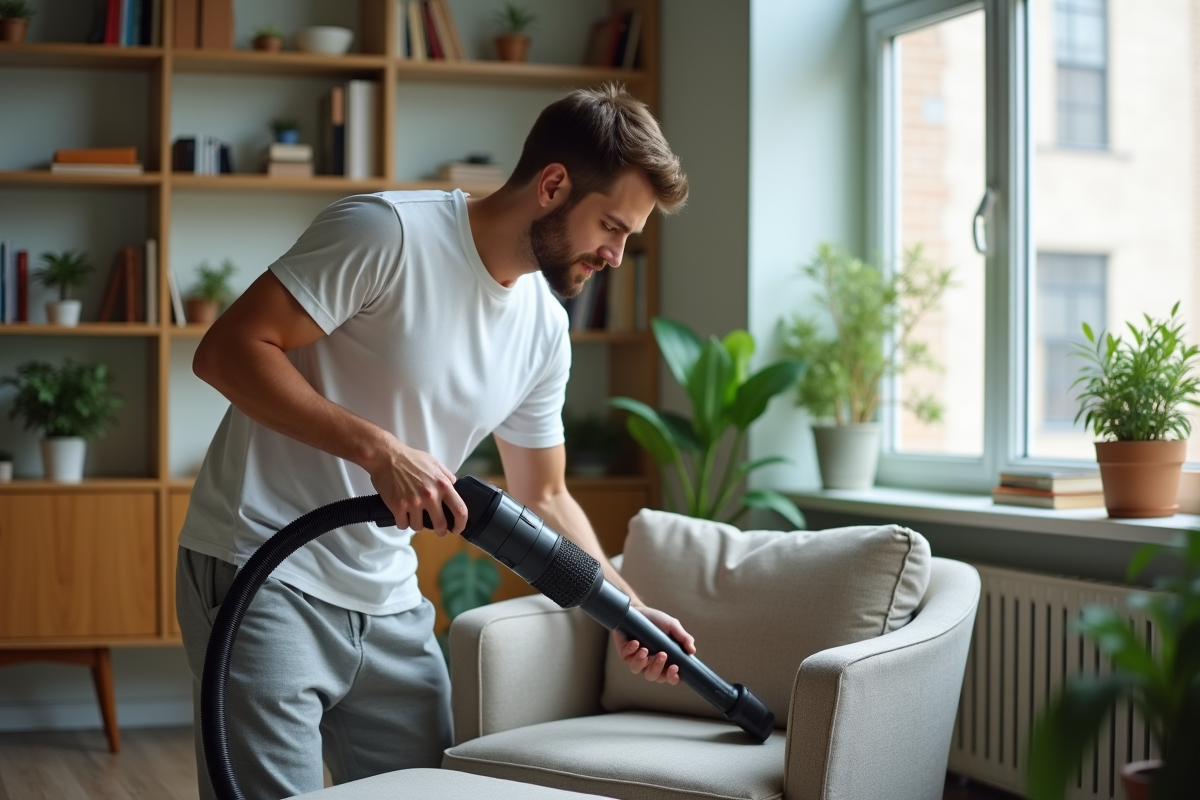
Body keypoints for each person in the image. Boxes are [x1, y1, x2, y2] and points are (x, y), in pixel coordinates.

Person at [176, 83, 693, 800]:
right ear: (552, 186)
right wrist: (378, 450)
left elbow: (544, 493)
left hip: (390, 596)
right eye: (611, 226)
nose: (615, 254)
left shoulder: (545, 329)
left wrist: (627, 609)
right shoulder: (387, 233)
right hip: (265, 568)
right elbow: (227, 351)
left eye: (629, 236)